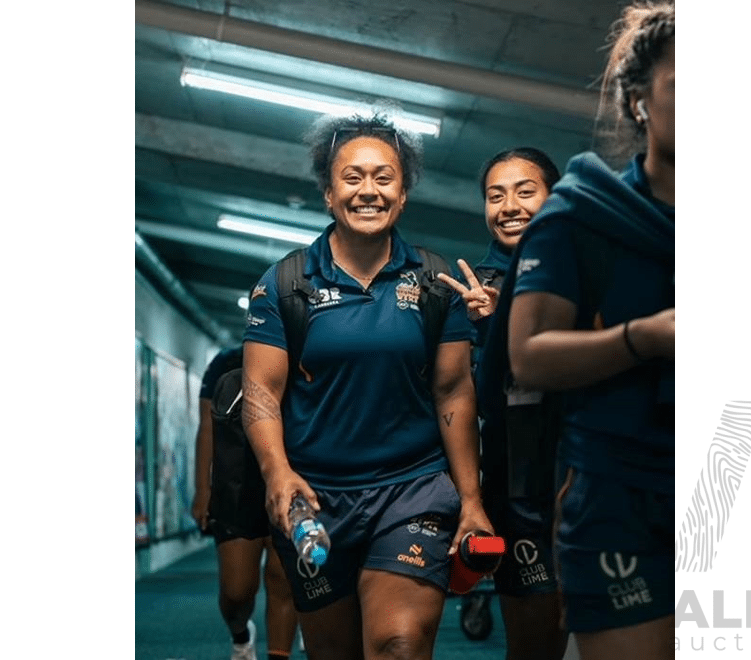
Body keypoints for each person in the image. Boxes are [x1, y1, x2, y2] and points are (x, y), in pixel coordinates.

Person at [240, 111, 493, 660]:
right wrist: (277, 473)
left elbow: (453, 393)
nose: (368, 191)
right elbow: (262, 393)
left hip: (412, 492)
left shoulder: (433, 282)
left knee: (398, 645)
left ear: (403, 195)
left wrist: (471, 499)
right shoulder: (285, 284)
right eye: (352, 178)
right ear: (329, 194)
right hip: (314, 500)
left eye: (384, 177)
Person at [504, 3, 676, 659]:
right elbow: (528, 355)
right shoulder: (581, 217)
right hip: (620, 490)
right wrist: (645, 338)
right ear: (639, 102)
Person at [437, 148, 568, 660]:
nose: (509, 205)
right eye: (496, 195)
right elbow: (476, 399)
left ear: (554, 198)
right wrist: (492, 327)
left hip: (599, 478)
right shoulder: (474, 291)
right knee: (537, 646)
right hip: (522, 490)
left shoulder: (588, 265)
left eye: (524, 191)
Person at [192, 347, 299, 660]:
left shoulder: (300, 351)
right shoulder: (225, 363)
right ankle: (241, 636)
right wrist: (202, 489)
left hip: (289, 476)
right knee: (237, 592)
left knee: (283, 579)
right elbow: (207, 427)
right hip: (235, 484)